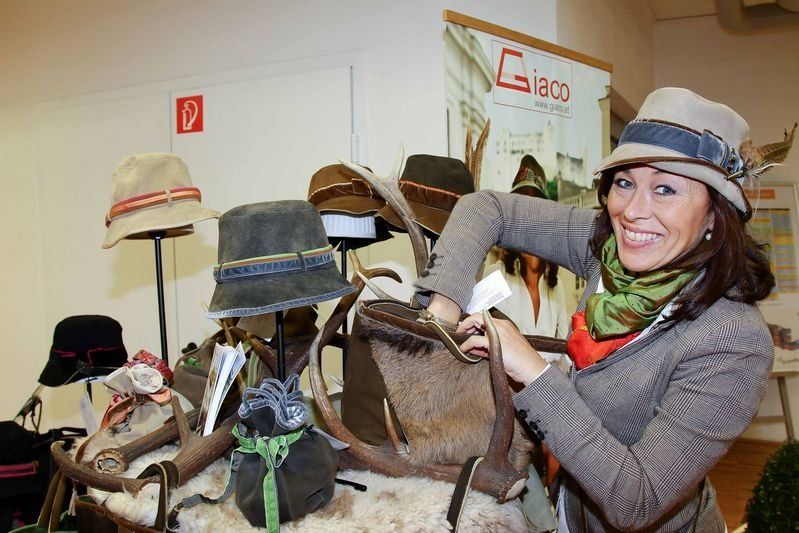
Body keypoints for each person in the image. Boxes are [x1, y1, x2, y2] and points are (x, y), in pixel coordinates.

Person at [415, 87, 789, 532]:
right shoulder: (607, 249)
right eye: (625, 182)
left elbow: (637, 501)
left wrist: (533, 372)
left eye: (665, 189)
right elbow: (486, 207)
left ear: (714, 214)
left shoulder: (733, 339)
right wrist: (441, 315)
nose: (632, 211)